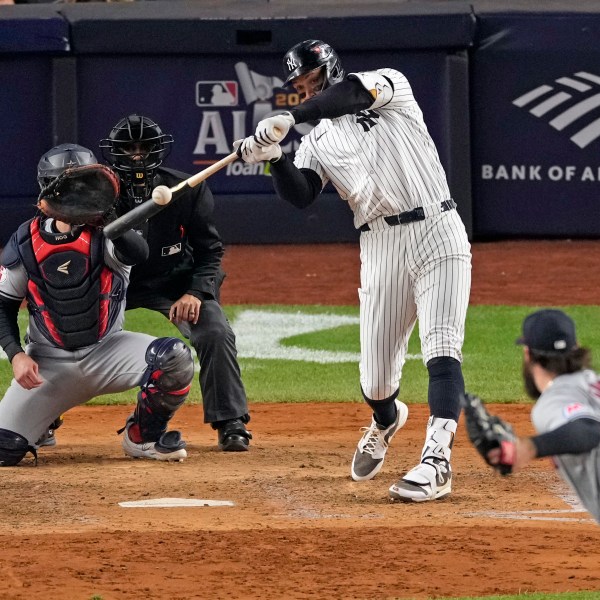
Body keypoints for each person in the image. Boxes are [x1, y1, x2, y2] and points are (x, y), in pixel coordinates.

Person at [236, 40, 471, 501]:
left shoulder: (388, 86)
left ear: (330, 67)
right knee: (376, 381)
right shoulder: (317, 141)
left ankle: (436, 460)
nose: (307, 88)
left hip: (439, 227)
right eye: (299, 86)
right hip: (380, 243)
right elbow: (302, 194)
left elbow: (351, 95)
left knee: (442, 349)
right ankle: (386, 419)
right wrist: (276, 158)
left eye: (312, 78)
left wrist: (291, 118)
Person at [0, 143, 194, 466]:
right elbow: (2, 307)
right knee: (5, 450)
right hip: (49, 364)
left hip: (108, 352)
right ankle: (45, 420)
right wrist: (17, 355)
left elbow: (138, 253)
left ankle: (142, 437)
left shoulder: (109, 234)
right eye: (70, 187)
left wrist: (108, 218)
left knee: (174, 361)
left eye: (86, 186)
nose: (79, 194)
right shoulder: (24, 241)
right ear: (49, 191)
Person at [99, 115, 252, 451]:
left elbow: (210, 250)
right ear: (115, 152)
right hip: (112, 282)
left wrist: (196, 292)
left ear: (159, 150)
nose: (137, 156)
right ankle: (43, 421)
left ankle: (231, 423)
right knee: (69, 326)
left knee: (214, 330)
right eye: (129, 148)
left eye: (145, 147)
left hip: (172, 281)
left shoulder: (186, 188)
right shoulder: (99, 193)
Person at [462, 309, 600, 523]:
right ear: (576, 347)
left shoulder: (553, 402)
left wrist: (529, 448)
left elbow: (589, 430)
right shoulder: (592, 382)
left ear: (528, 354)